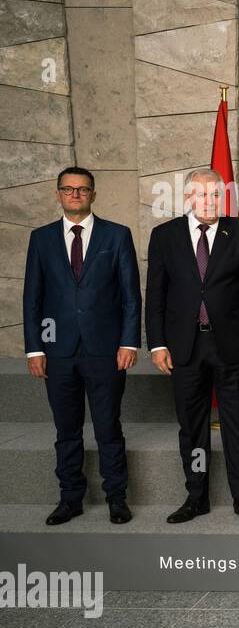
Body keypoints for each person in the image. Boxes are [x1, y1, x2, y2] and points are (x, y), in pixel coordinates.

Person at [146, 168, 239, 523]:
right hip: (184, 348)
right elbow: (155, 295)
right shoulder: (164, 236)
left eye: (216, 195)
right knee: (192, 428)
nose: (210, 202)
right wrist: (156, 344)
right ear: (188, 198)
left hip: (232, 346)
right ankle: (196, 496)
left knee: (238, 425)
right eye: (202, 195)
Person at [23, 167, 140, 525]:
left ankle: (116, 498)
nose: (75, 195)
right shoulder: (40, 239)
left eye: (83, 189)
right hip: (57, 352)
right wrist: (34, 349)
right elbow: (33, 297)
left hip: (106, 350)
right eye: (68, 189)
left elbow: (130, 296)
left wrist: (129, 342)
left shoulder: (117, 236)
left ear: (93, 194)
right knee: (66, 430)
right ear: (58, 194)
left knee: (108, 427)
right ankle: (70, 499)